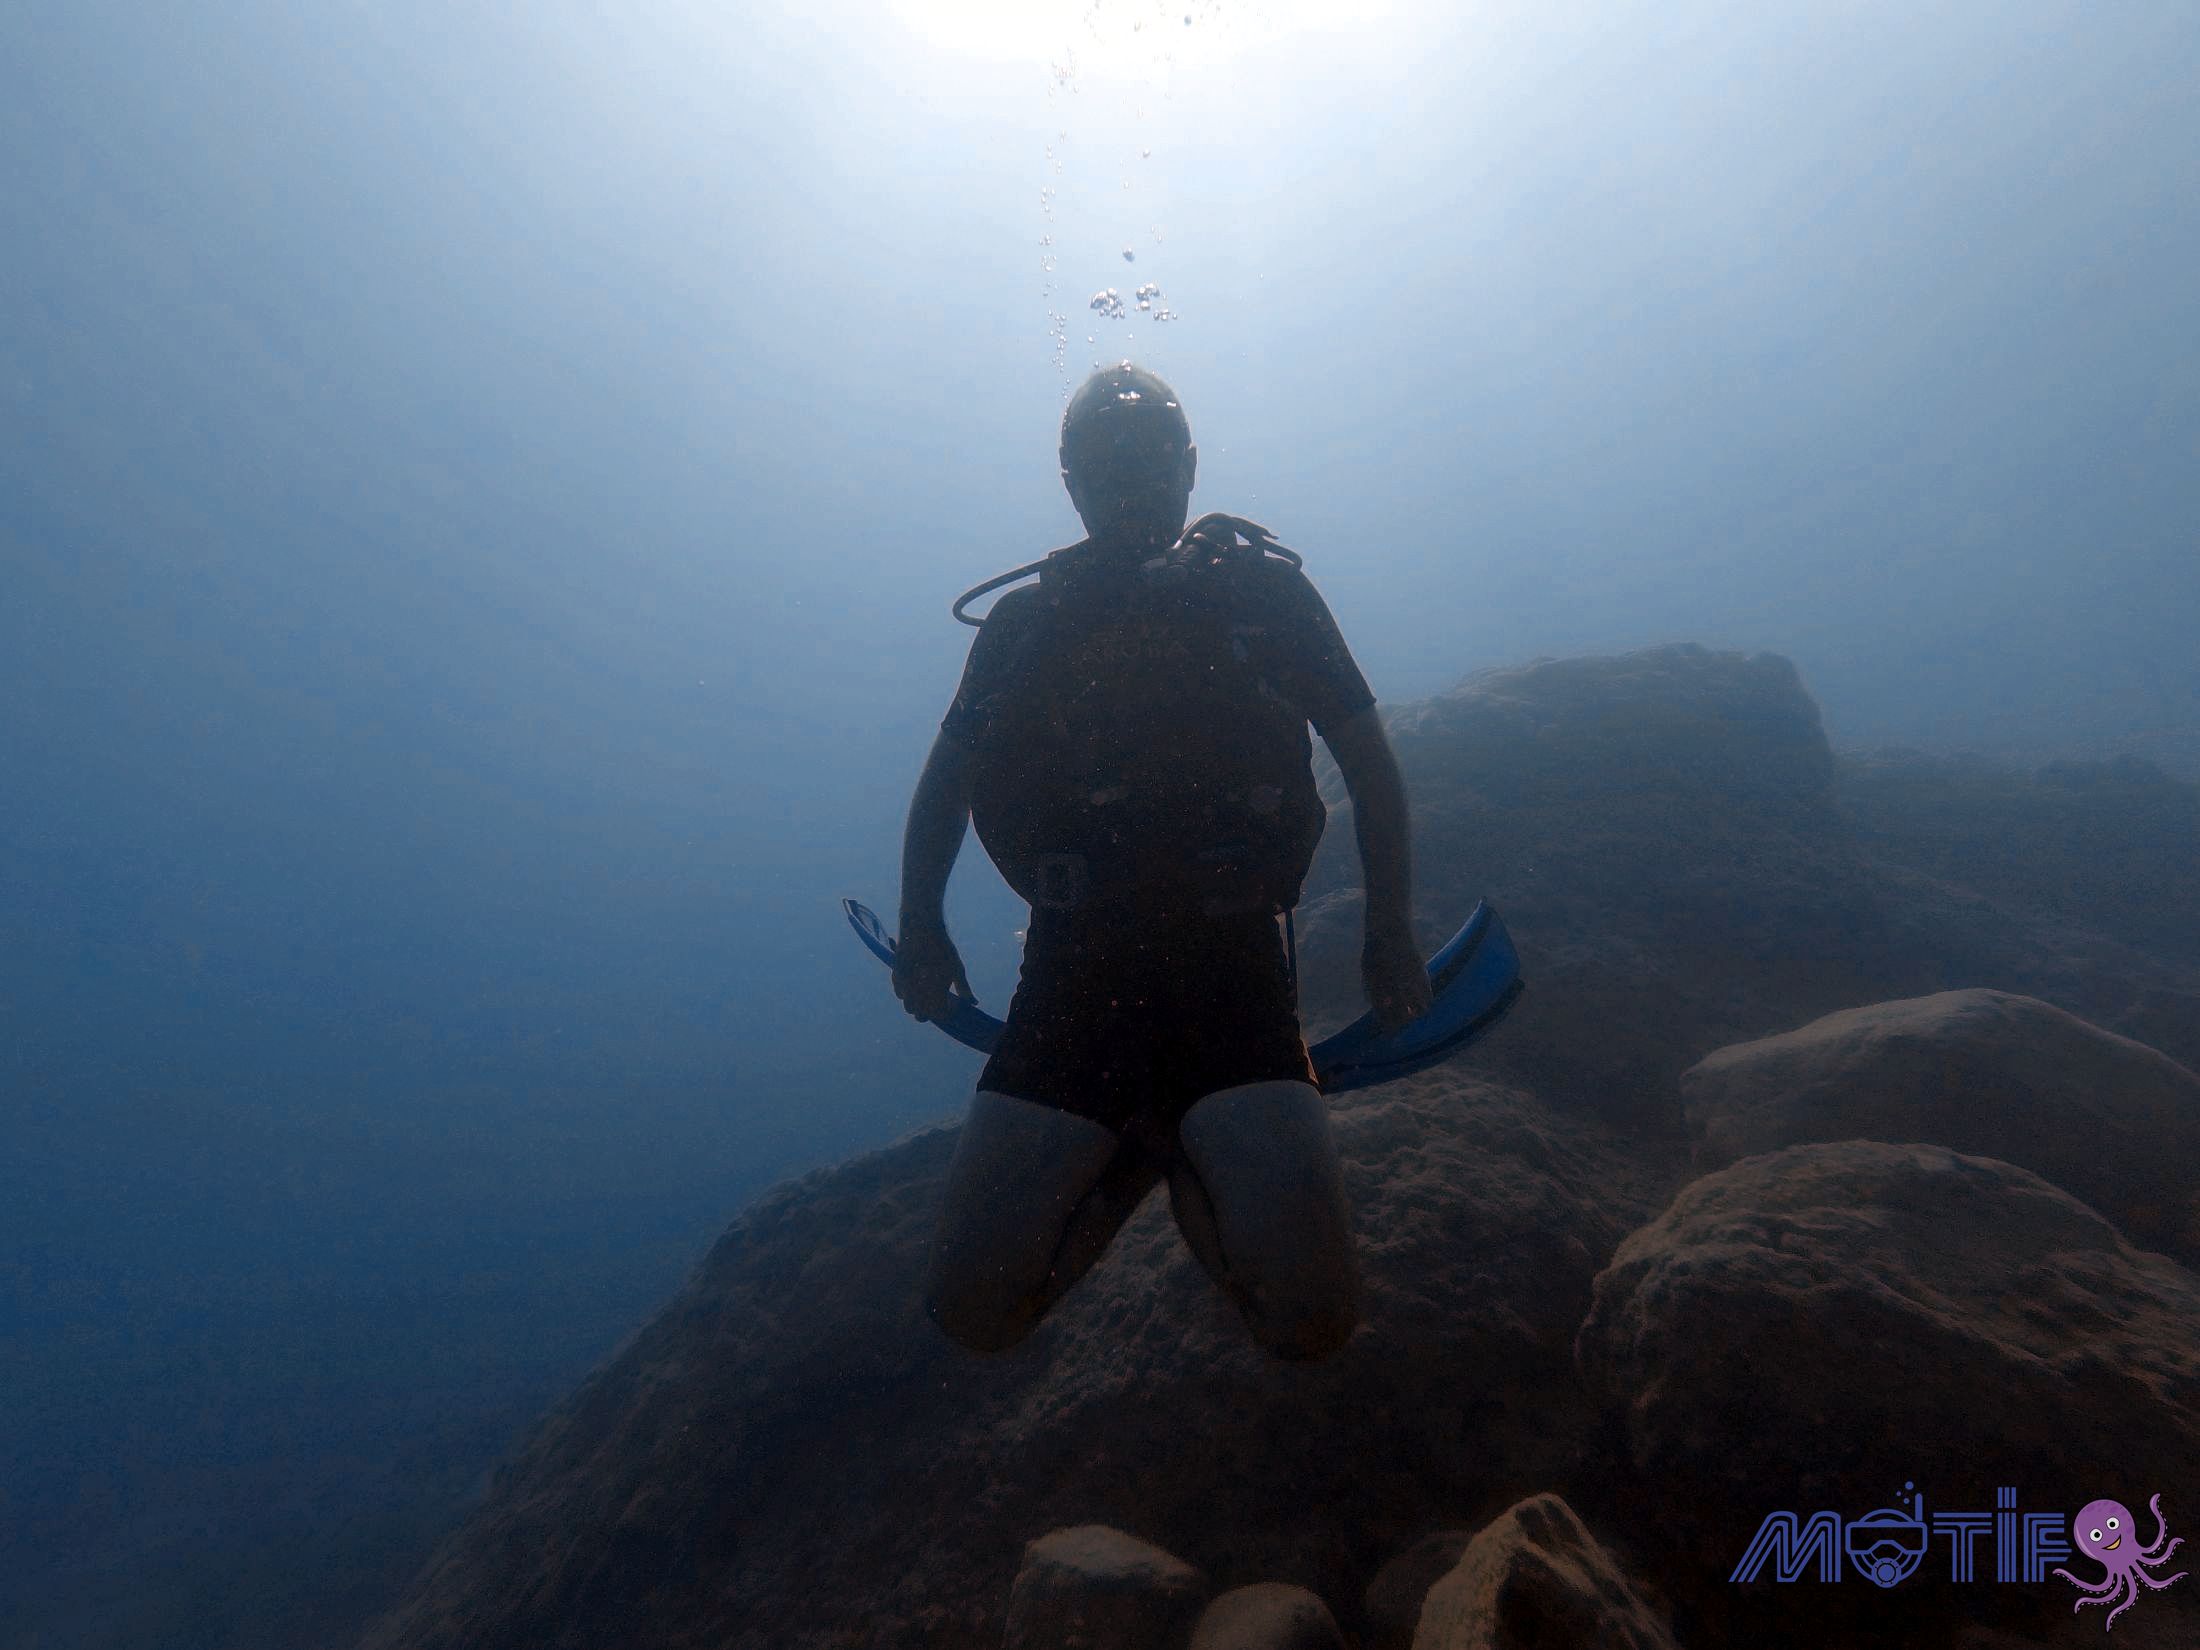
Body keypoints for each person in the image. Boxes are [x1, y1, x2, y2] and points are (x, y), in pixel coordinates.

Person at [894, 362, 1430, 1362]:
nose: (1129, 481)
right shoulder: (1023, 626)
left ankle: (1183, 1152)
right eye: (1105, 464)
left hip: (1233, 973)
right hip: (1072, 976)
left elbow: (1368, 759)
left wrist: (1388, 932)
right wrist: (918, 925)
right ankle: (1149, 1148)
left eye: (1147, 459)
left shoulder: (1265, 595)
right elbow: (946, 781)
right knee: (970, 1312)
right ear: (1070, 483)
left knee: (1314, 1324)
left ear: (1189, 466)